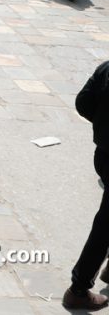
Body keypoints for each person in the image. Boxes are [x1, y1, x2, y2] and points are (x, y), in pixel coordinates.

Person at [64, 61, 109, 311]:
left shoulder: (107, 67)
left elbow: (83, 102)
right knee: (104, 226)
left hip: (103, 155)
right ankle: (78, 289)